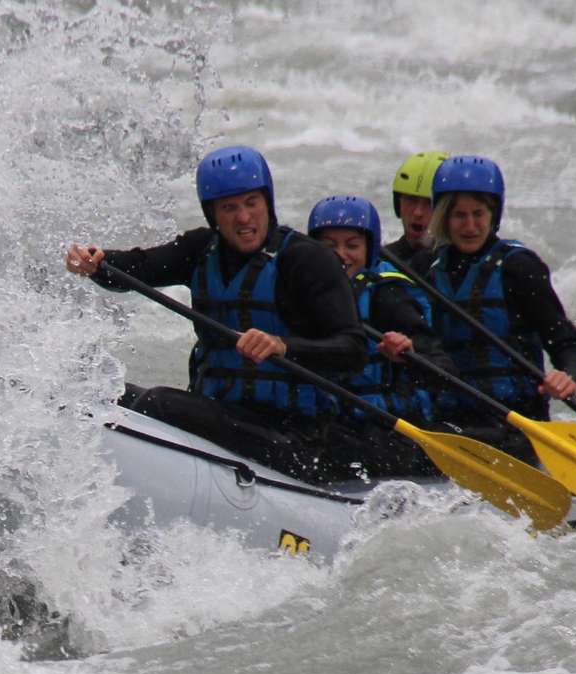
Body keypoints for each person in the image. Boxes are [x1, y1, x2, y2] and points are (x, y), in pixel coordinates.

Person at [64, 145, 370, 481]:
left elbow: (353, 350)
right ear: (213, 214)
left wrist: (283, 346)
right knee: (109, 390)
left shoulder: (307, 260)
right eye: (230, 208)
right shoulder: (200, 249)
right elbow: (138, 267)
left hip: (294, 436)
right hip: (222, 412)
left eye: (252, 203)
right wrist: (97, 262)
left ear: (267, 202)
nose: (243, 217)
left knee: (158, 403)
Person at [423, 155, 576, 437]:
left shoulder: (519, 267)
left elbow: (563, 341)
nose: (470, 226)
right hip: (454, 421)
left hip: (517, 421)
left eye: (478, 214)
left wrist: (568, 378)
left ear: (493, 214)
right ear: (444, 217)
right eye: (460, 215)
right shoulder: (432, 272)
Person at [302, 194, 445, 476]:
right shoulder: (305, 294)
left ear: (369, 250)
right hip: (335, 423)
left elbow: (442, 368)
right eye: (329, 246)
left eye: (352, 245)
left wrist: (410, 353)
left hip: (387, 433)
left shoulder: (388, 297)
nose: (340, 254)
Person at [383, 150, 447, 270]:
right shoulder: (380, 260)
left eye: (429, 203)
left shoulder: (457, 265)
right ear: (398, 203)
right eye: (411, 200)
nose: (418, 212)